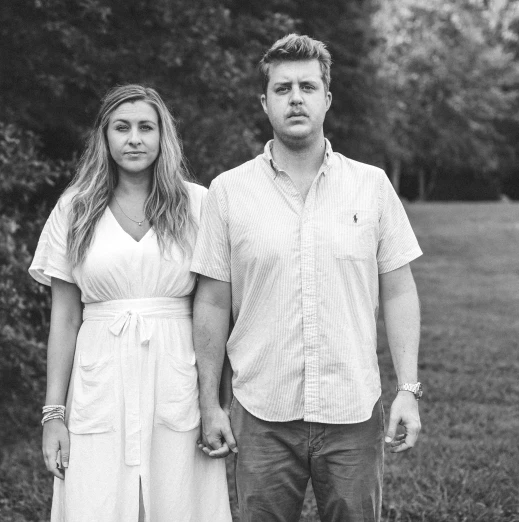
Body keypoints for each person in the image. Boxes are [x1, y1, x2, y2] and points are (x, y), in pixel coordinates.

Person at [191, 34, 424, 521]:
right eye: (282, 88)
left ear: (327, 99)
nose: (295, 97)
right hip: (262, 414)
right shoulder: (228, 192)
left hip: (353, 413)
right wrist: (210, 403)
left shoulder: (372, 185)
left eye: (307, 86)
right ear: (264, 102)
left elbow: (399, 289)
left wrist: (408, 388)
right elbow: (212, 302)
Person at [29, 84, 232, 522]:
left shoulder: (198, 204)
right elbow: (64, 319)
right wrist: (53, 414)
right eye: (122, 128)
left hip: (175, 377)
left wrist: (215, 402)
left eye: (146, 127)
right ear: (104, 138)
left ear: (163, 136)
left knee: (180, 502)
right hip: (100, 380)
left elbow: (216, 305)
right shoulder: (75, 208)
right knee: (96, 501)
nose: (134, 138)